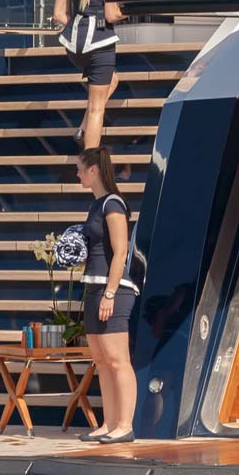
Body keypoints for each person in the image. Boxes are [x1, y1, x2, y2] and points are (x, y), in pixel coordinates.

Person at [73, 144, 139, 444]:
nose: (77, 174)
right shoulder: (95, 204)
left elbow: (121, 250)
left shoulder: (113, 203)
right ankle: (109, 422)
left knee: (117, 359)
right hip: (93, 286)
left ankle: (125, 425)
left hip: (114, 289)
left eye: (80, 169)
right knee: (100, 360)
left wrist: (110, 294)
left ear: (94, 170)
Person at [51, 0, 120, 149]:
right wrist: (129, 11)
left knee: (114, 80)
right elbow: (111, 15)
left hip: (74, 46)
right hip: (100, 43)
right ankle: (90, 162)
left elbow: (59, 14)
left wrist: (77, 27)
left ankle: (82, 128)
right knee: (96, 107)